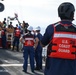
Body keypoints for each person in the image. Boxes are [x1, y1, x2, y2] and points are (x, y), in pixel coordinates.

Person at [40, 2, 76, 75]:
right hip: (71, 71)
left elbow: (42, 44)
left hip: (52, 71)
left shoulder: (51, 28)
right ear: (72, 14)